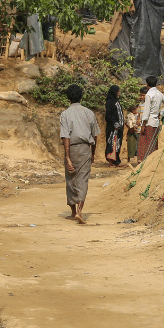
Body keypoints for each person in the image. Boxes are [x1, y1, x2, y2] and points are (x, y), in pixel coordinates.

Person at [60, 83, 100, 224]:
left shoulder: (65, 114)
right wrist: (93, 153)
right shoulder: (89, 113)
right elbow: (95, 136)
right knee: (83, 180)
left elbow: (66, 137)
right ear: (81, 96)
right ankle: (79, 212)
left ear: (68, 97)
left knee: (71, 180)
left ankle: (72, 212)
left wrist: (67, 157)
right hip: (85, 149)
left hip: (72, 149)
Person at [140, 76, 164, 159]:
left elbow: (146, 111)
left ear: (147, 84)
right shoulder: (159, 93)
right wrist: (160, 112)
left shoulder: (149, 95)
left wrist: (143, 124)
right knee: (154, 143)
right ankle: (153, 160)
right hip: (156, 122)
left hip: (149, 122)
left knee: (146, 143)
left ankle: (145, 162)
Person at [103, 85, 125, 166]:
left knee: (117, 143)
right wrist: (115, 123)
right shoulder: (110, 102)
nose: (119, 93)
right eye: (118, 91)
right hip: (113, 128)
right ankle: (111, 160)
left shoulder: (116, 101)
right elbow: (108, 115)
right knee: (112, 143)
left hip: (119, 128)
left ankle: (116, 160)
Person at [125, 87, 147, 164]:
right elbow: (139, 115)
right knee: (139, 144)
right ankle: (140, 160)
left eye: (143, 95)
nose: (141, 97)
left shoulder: (149, 104)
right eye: (141, 95)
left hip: (146, 126)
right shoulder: (140, 104)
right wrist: (138, 121)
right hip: (140, 128)